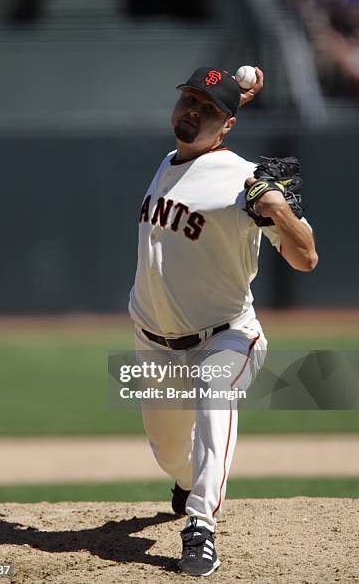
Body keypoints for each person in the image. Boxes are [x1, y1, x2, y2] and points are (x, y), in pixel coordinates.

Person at [128, 66, 318, 577]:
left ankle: (201, 527)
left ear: (227, 124)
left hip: (227, 336)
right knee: (171, 453)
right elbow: (206, 138)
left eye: (205, 106)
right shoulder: (170, 159)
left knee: (215, 392)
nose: (191, 110)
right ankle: (189, 481)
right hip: (155, 343)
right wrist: (232, 95)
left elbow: (306, 259)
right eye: (188, 98)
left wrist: (279, 211)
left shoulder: (248, 183)